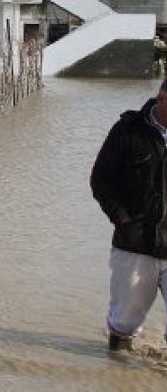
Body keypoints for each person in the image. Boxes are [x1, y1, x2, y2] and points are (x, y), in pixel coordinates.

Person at [91, 78, 167, 351]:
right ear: (161, 100)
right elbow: (100, 180)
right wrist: (122, 220)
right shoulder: (127, 131)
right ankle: (118, 375)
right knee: (123, 323)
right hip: (134, 244)